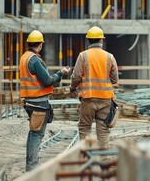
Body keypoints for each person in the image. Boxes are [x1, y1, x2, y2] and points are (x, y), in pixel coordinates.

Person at [20, 30, 70, 171]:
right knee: (37, 134)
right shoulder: (34, 59)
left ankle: (30, 164)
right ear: (40, 44)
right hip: (38, 102)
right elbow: (47, 80)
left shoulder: (25, 57)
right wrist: (61, 73)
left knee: (33, 132)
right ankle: (32, 167)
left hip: (29, 100)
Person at [69, 26, 119, 149]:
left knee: (85, 128)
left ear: (88, 40)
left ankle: (87, 159)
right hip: (105, 100)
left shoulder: (83, 56)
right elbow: (115, 80)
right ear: (101, 40)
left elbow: (76, 77)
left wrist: (72, 88)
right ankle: (102, 161)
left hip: (88, 99)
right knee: (103, 130)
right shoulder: (110, 57)